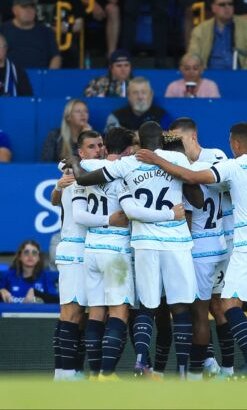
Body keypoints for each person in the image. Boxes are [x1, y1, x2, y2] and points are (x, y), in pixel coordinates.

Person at [134, 123, 247, 378]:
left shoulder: (232, 166)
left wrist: (156, 158)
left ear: (235, 143)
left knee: (229, 303)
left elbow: (190, 178)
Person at [72, 122, 203, 379]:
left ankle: (142, 361)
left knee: (147, 306)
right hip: (176, 241)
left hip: (144, 243)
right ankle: (184, 370)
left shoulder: (128, 163)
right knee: (180, 307)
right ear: (162, 140)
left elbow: (84, 178)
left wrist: (71, 162)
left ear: (140, 140)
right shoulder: (176, 158)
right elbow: (197, 201)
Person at [167, 118, 234, 377]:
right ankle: (215, 364)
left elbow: (228, 186)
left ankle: (204, 369)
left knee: (205, 309)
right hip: (213, 244)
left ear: (193, 136)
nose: (176, 145)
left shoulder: (214, 156)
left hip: (211, 244)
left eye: (179, 139)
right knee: (213, 307)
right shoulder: (182, 163)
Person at [72, 127, 137, 381]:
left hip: (92, 249)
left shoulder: (84, 170)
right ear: (128, 151)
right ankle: (107, 375)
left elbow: (79, 215)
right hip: (116, 251)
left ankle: (95, 372)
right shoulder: (123, 175)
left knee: (96, 312)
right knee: (119, 311)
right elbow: (130, 210)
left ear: (106, 147)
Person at [49, 129, 109, 381]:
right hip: (74, 248)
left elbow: (55, 199)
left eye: (101, 145)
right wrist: (58, 186)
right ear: (81, 153)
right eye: (93, 147)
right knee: (70, 312)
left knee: (86, 315)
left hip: (91, 250)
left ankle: (75, 370)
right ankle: (63, 372)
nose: (99, 149)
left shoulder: (98, 173)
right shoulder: (73, 176)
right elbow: (57, 199)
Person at [187, 0, 247, 70]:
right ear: (213, 8)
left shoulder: (246, 26)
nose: (227, 7)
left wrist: (245, 76)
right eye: (222, 4)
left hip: (238, 77)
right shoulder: (200, 30)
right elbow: (193, 56)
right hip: (208, 78)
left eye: (230, 4)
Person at [0, 0, 61, 69]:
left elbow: (56, 57)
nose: (29, 11)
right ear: (14, 10)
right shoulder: (1, 32)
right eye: (24, 7)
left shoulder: (46, 32)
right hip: (11, 77)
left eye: (32, 7)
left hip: (40, 78)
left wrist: (49, 76)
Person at [36, 0, 86, 68]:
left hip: (64, 38)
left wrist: (60, 29)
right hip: (38, 38)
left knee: (70, 48)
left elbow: (79, 25)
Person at [0, 240, 58, 304]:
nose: (30, 256)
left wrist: (36, 293)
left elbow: (56, 300)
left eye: (34, 253)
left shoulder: (45, 276)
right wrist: (0, 291)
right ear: (20, 256)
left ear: (38, 258)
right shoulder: (9, 275)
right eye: (26, 252)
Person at [105, 77, 171, 131]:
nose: (140, 97)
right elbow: (111, 140)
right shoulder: (116, 117)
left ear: (151, 94)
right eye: (135, 93)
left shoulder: (162, 115)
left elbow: (169, 136)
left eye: (144, 92)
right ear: (128, 96)